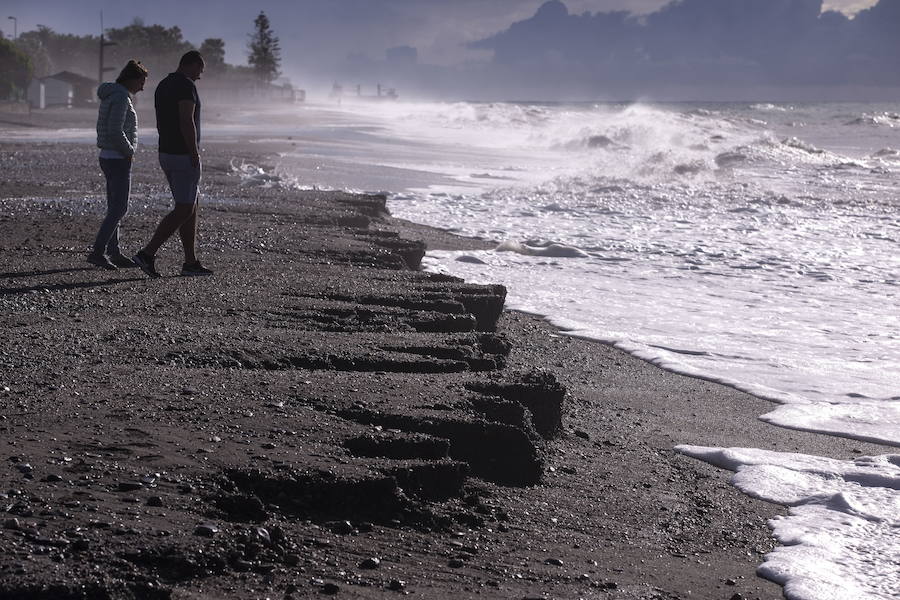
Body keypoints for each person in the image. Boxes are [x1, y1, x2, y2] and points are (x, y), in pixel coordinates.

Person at [132, 50, 212, 277]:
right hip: (182, 154)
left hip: (166, 152)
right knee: (185, 207)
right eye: (200, 70)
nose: (200, 76)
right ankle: (147, 254)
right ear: (191, 64)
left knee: (190, 205)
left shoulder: (163, 85)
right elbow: (187, 120)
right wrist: (194, 152)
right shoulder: (186, 87)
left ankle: (190, 262)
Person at [88, 59, 149, 270]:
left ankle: (114, 253)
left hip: (107, 156)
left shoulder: (112, 94)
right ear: (131, 79)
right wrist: (129, 151)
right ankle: (98, 252)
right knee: (119, 208)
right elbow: (115, 130)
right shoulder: (122, 97)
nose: (143, 87)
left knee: (114, 207)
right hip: (117, 158)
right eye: (141, 81)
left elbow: (111, 128)